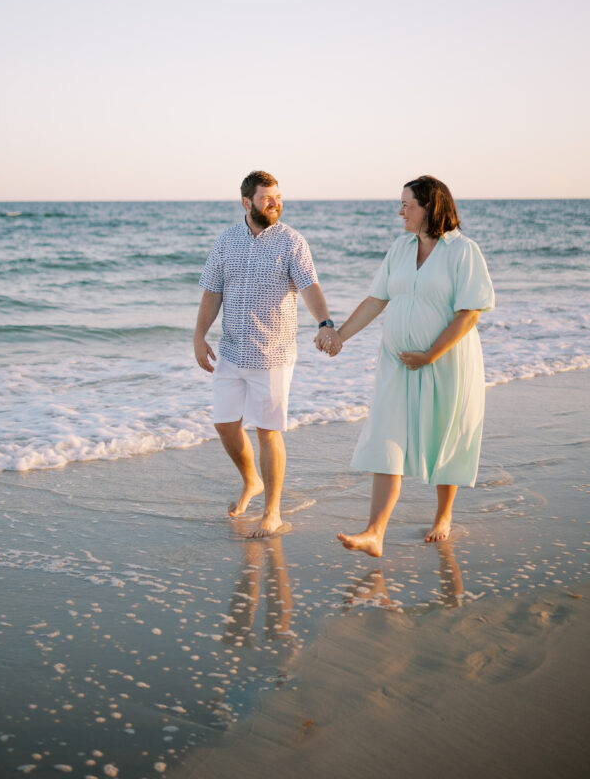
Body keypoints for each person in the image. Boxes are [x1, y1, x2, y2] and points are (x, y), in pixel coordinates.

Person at [317, 175, 494, 557]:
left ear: (429, 206)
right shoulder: (399, 249)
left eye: (406, 204)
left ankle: (443, 516)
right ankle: (374, 533)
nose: (400, 211)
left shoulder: (463, 252)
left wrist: (430, 354)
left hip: (446, 362)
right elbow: (375, 300)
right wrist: (340, 336)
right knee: (386, 436)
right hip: (397, 363)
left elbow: (469, 314)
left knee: (444, 436)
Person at [195, 170, 334, 538]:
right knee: (225, 425)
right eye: (266, 198)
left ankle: (272, 511)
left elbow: (310, 287)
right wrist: (199, 336)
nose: (275, 203)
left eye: (278, 197)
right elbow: (212, 292)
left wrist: (325, 324)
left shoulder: (292, 242)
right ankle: (251, 481)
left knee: (268, 433)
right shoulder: (226, 241)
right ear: (247, 202)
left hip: (272, 354)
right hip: (231, 352)